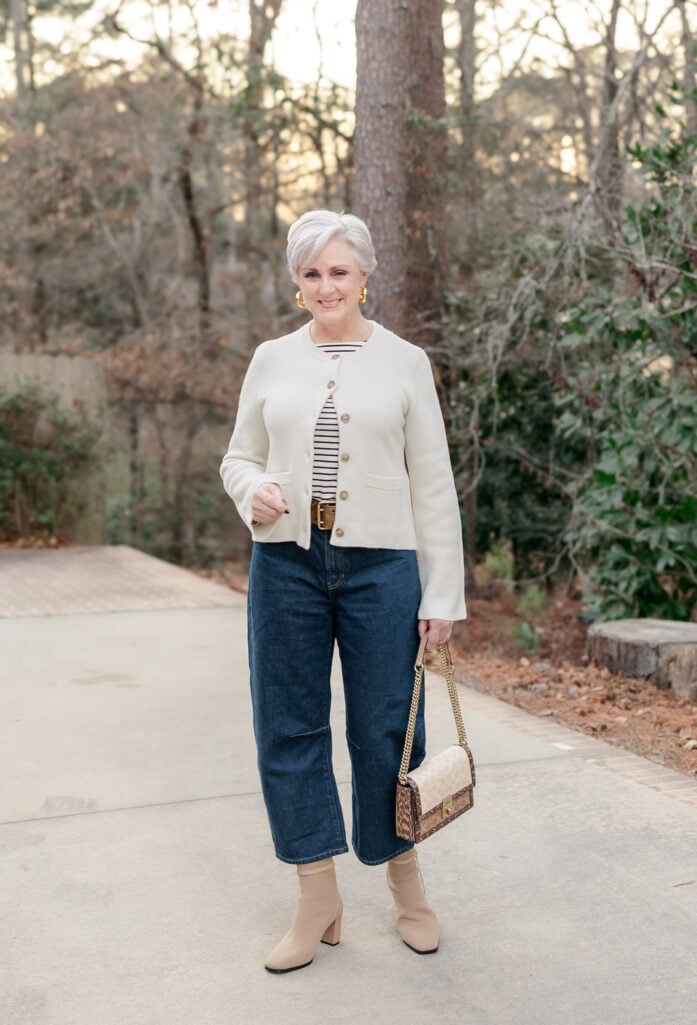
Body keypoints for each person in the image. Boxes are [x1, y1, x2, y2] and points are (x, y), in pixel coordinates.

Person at [219, 209, 466, 973]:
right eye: (311, 273)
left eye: (338, 270)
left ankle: (404, 879)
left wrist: (441, 594)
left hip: (381, 566)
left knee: (387, 729)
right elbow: (237, 455)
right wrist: (253, 486)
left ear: (364, 276)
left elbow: (432, 482)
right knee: (287, 725)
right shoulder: (269, 359)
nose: (326, 285)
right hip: (286, 563)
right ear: (297, 285)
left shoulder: (404, 361)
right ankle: (316, 894)